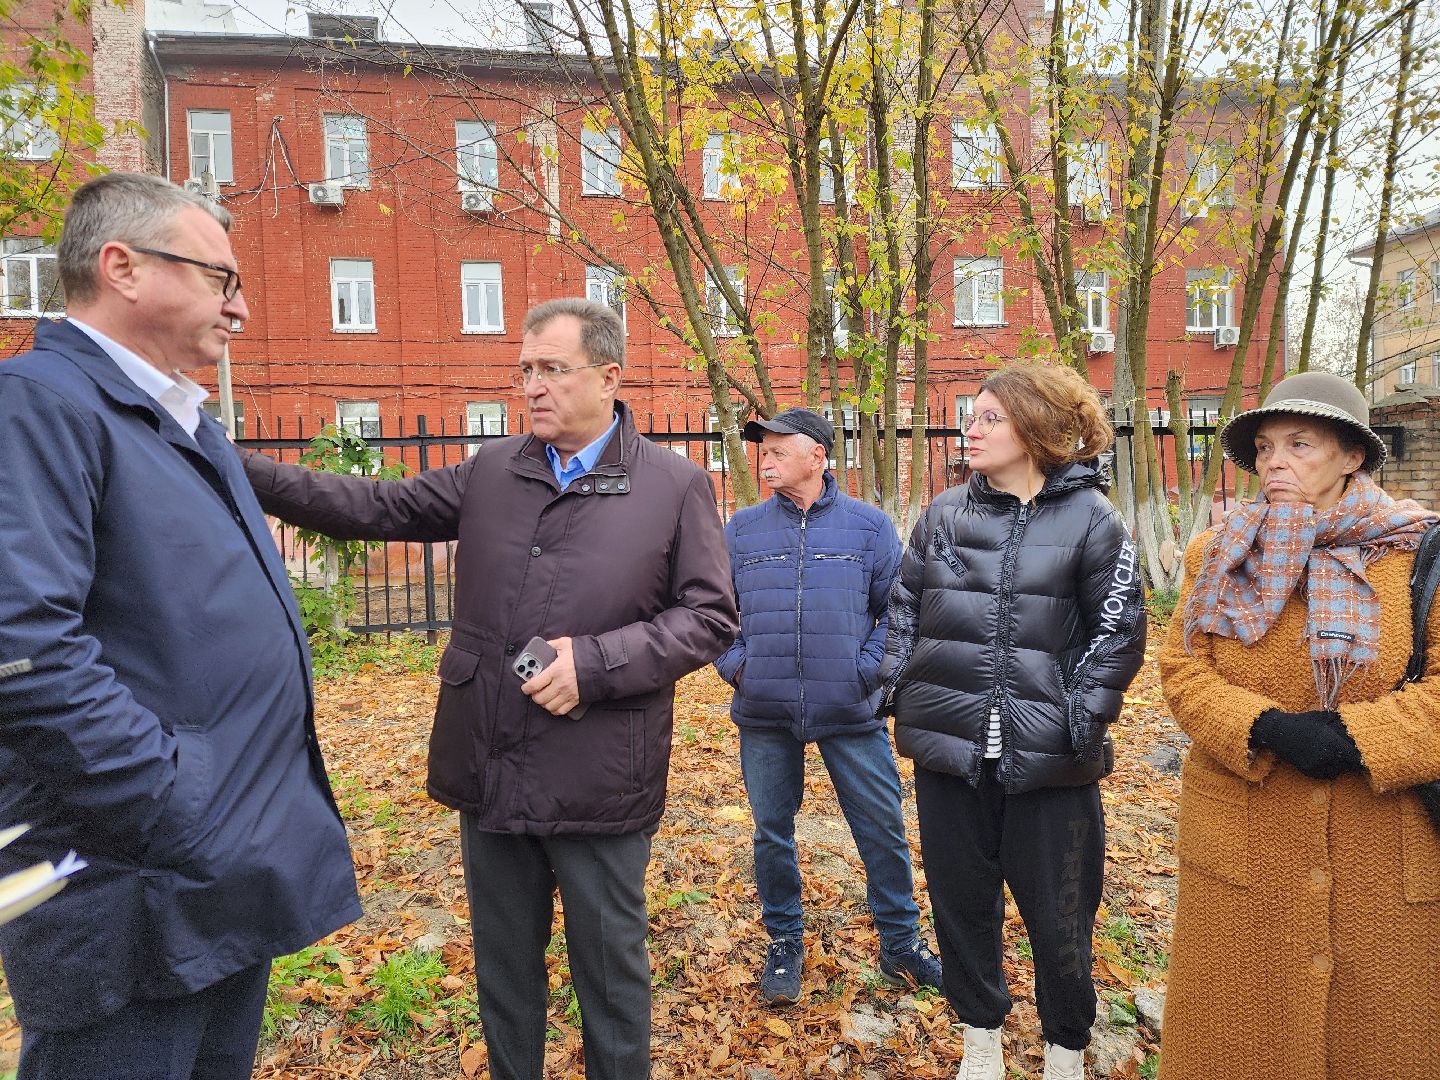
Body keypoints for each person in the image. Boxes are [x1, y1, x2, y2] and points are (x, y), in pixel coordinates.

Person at [241, 297, 738, 1080]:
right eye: (525, 371)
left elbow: (710, 617)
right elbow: (374, 507)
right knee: (505, 969)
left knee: (610, 975)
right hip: (492, 761)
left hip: (600, 776)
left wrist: (598, 664)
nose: (532, 387)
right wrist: (240, 467)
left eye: (551, 369)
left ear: (610, 376)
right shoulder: (493, 472)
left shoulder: (673, 486)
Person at [0, 173, 361, 1079]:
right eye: (219, 279)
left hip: (212, 879)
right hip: (130, 891)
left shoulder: (173, 421)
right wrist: (175, 799)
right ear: (121, 266)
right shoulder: (38, 407)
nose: (239, 307)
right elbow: (21, 645)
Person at [1158, 370, 1440, 1080]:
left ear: (1353, 455)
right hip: (1247, 850)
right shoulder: (1216, 555)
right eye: (1264, 447)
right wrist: (1267, 727)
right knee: (1238, 1043)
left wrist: (1353, 739)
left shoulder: (1417, 556)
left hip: (1383, 851)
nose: (1273, 461)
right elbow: (1184, 672)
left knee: (1382, 1044)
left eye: (1299, 443)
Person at [881, 363, 1146, 1080]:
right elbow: (903, 611)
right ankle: (981, 1039)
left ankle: (1066, 1045)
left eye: (991, 416)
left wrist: (1078, 721)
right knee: (961, 908)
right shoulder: (943, 515)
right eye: (974, 414)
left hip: (1050, 764)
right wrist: (892, 687)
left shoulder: (1094, 520)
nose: (973, 426)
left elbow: (1118, 632)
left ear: (1038, 426)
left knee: (1062, 917)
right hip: (950, 753)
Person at [713, 407, 943, 1005]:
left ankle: (900, 944)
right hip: (765, 710)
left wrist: (864, 674)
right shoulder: (741, 528)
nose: (764, 458)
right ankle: (785, 942)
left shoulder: (867, 527)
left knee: (881, 825)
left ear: (817, 454)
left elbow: (899, 612)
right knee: (771, 830)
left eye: (777, 448)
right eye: (760, 449)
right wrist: (742, 668)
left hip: (851, 708)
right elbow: (715, 613)